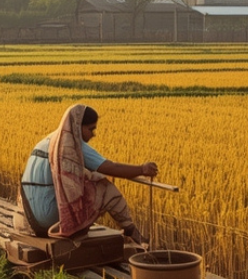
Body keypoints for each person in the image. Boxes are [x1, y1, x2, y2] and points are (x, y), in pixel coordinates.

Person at [12, 104, 158, 245]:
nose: (93, 134)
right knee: (103, 186)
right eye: (90, 129)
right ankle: (131, 231)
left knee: (85, 176)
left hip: (29, 220)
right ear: (77, 126)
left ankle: (129, 231)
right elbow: (110, 167)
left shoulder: (46, 141)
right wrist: (141, 169)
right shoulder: (72, 146)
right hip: (50, 220)